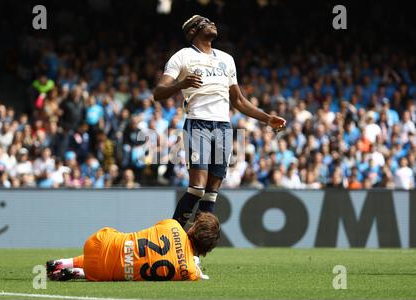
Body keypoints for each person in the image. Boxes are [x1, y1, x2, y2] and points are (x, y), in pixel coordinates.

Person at [153, 15, 286, 228]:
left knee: (211, 194)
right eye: (205, 22)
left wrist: (267, 118)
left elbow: (239, 101)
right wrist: (181, 84)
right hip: (198, 123)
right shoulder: (183, 56)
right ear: (193, 31)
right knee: (197, 188)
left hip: (223, 127)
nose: (212, 23)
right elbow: (158, 93)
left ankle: (195, 252)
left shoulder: (226, 59)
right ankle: (170, 239)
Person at [46, 212, 220, 281]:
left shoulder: (173, 225)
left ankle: (63, 262)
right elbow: (195, 271)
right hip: (101, 274)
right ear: (206, 249)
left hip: (97, 242)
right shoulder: (189, 272)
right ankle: (79, 273)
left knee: (122, 247)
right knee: (124, 265)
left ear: (193, 227)